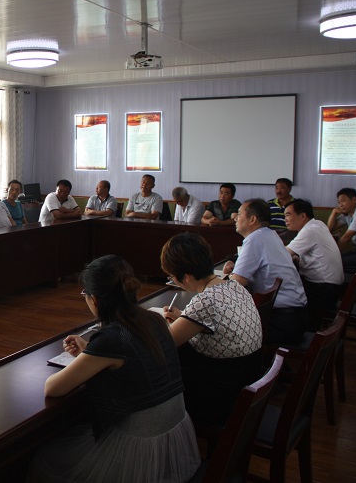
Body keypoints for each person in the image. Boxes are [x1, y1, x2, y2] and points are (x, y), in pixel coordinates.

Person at [29, 255, 200, 483]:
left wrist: (92, 353)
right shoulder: (154, 320)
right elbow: (135, 355)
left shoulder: (111, 338)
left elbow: (53, 388)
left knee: (44, 460)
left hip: (141, 448)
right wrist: (89, 351)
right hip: (174, 435)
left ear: (95, 300)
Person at [161, 233, 263, 426]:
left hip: (221, 397)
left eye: (172, 277)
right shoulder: (235, 286)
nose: (173, 281)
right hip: (247, 382)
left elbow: (162, 343)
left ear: (186, 277)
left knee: (159, 366)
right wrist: (183, 317)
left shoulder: (205, 301)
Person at [223, 199, 308, 344]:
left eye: (239, 214)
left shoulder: (255, 239)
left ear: (252, 219)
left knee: (224, 333)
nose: (235, 218)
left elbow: (237, 284)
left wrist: (228, 277)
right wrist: (236, 269)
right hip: (296, 316)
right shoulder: (269, 234)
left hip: (281, 321)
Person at [284, 199, 344, 329]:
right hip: (331, 287)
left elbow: (283, 255)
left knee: (287, 297)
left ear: (302, 216)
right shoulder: (318, 225)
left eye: (288, 214)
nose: (285, 219)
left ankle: (305, 331)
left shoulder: (310, 230)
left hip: (324, 290)